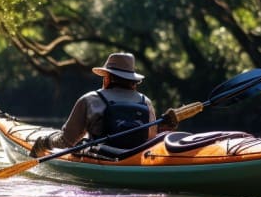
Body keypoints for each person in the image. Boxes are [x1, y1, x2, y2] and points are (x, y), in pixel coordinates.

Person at [31, 52, 178, 156]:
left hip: (101, 158)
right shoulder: (145, 101)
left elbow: (67, 142)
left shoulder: (90, 99)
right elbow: (150, 140)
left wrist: (45, 141)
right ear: (133, 81)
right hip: (134, 159)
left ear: (107, 78)